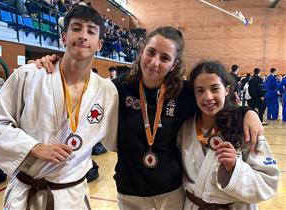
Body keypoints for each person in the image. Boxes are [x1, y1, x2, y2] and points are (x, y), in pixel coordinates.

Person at [34, 27, 263, 210]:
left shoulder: (184, 93)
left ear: (174, 64)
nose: (154, 62)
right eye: (151, 52)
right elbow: (81, 85)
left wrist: (247, 113)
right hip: (129, 192)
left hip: (171, 193)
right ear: (142, 50)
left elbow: (214, 103)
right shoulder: (117, 88)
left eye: (165, 58)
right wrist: (54, 65)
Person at [0, 5, 118, 210]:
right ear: (64, 37)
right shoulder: (30, 75)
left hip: (71, 199)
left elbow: (118, 140)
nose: (83, 36)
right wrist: (33, 147)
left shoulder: (107, 91)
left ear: (99, 44)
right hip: (26, 196)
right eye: (76, 28)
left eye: (91, 31)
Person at [178, 61, 280, 210]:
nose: (208, 97)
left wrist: (235, 167)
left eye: (214, 89)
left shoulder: (244, 126)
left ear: (226, 90)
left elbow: (269, 183)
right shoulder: (185, 127)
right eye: (200, 90)